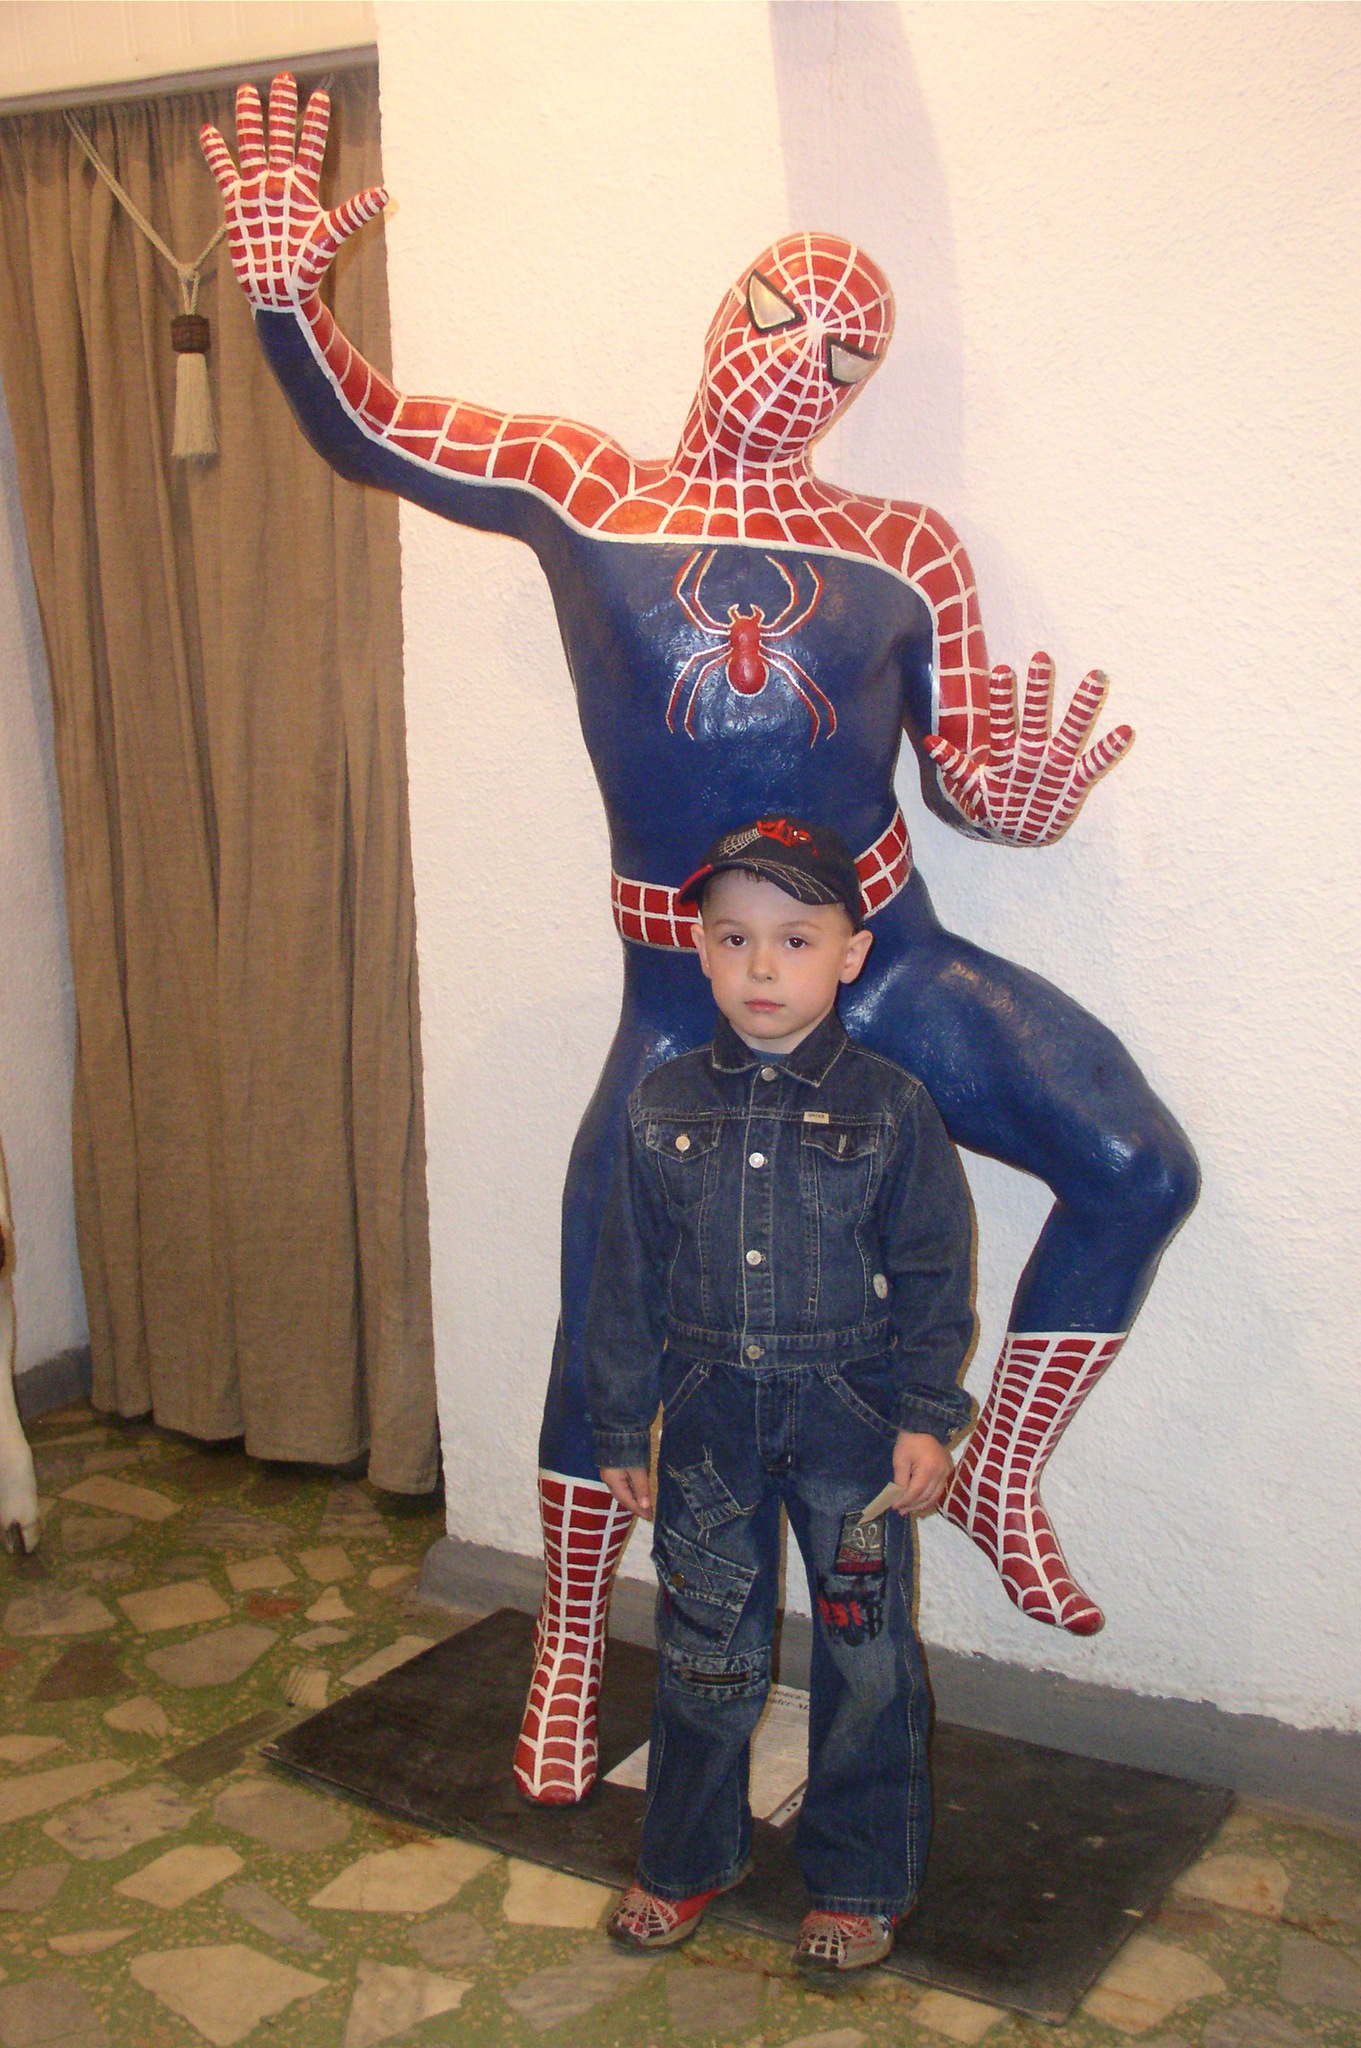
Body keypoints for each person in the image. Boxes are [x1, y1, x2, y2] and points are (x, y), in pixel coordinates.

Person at [201, 80, 1198, 1808]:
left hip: (886, 962)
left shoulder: (903, 548)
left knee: (1134, 1164)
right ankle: (571, 1639)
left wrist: (1015, 803)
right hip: (683, 994)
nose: (807, 361)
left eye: (848, 351)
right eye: (786, 315)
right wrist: (286, 302)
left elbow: (963, 773)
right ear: (722, 311)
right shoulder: (580, 486)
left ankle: (1001, 1469)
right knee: (607, 1303)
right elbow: (369, 430)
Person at [587, 817, 973, 1971]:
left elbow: (932, 1270)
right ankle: (686, 1857)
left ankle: (858, 1880)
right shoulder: (659, 1104)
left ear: (848, 954)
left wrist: (925, 1413)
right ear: (700, 950)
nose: (761, 965)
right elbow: (624, 1277)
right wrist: (619, 1419)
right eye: (733, 937)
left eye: (794, 938)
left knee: (863, 1652)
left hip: (851, 1422)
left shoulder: (892, 1106)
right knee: (704, 1647)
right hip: (707, 1422)